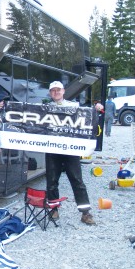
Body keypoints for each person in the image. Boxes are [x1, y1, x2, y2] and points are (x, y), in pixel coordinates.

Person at [45, 81, 96, 225]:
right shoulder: (44, 108)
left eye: (58, 90)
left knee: (77, 181)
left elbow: (88, 116)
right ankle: (54, 210)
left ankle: (85, 213)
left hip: (70, 150)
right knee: (51, 181)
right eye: (53, 90)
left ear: (64, 91)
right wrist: (2, 106)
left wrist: (97, 108)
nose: (56, 92)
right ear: (50, 93)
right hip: (52, 149)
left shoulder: (74, 106)